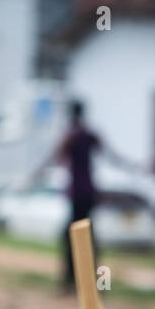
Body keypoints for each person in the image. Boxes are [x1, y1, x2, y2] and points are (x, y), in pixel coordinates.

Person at [54, 100, 101, 291]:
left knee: (70, 237)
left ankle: (70, 281)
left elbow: (58, 156)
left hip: (78, 194)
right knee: (90, 238)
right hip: (89, 193)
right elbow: (109, 154)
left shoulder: (72, 136)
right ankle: (96, 283)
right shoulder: (89, 134)